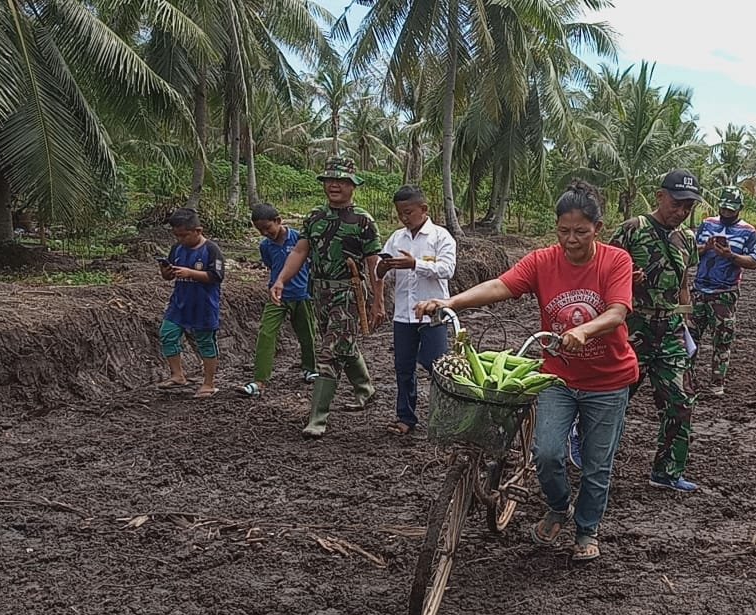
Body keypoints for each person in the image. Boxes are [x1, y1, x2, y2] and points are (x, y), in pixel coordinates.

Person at [414, 180, 636, 562]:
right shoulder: (543, 261)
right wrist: (450, 301)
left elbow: (617, 311)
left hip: (608, 380)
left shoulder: (615, 261)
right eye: (564, 231)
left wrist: (583, 329)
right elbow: (501, 285)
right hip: (557, 377)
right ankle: (558, 507)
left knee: (597, 465)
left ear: (597, 229)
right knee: (547, 453)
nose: (571, 240)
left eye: (580, 232)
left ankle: (586, 531)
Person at [272, 158, 386, 438]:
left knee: (329, 354)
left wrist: (378, 301)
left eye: (342, 181)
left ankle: (317, 419)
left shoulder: (363, 221)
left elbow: (375, 263)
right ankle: (365, 390)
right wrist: (281, 280)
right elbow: (300, 252)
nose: (335, 185)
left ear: (352, 186)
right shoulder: (314, 217)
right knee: (341, 344)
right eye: (329, 180)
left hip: (348, 292)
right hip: (319, 292)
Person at [607, 169, 701, 492]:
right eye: (677, 204)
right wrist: (626, 282)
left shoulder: (688, 239)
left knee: (681, 401)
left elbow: (684, 283)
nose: (681, 212)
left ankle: (667, 472)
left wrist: (687, 324)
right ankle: (594, 458)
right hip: (633, 327)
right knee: (616, 399)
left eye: (688, 207)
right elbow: (602, 275)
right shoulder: (632, 230)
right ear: (660, 196)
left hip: (670, 327)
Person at [376, 185, 457, 436]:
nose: (404, 217)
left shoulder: (440, 237)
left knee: (438, 366)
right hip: (403, 314)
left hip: (433, 313)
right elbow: (380, 270)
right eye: (400, 213)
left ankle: (442, 418)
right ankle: (405, 417)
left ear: (424, 209)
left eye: (408, 212)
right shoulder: (397, 238)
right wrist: (383, 267)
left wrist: (416, 264)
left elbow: (447, 269)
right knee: (403, 366)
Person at [240, 203, 318, 397]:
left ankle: (310, 368)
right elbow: (270, 265)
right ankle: (259, 380)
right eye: (260, 230)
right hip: (277, 296)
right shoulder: (265, 246)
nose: (265, 233)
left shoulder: (300, 239)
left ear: (278, 221)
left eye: (268, 228)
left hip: (302, 294)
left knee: (307, 333)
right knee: (266, 334)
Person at [691, 186, 756, 396]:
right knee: (690, 337)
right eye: (724, 208)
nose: (727, 213)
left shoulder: (748, 231)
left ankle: (717, 382)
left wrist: (731, 256)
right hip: (700, 290)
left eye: (731, 210)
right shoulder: (707, 224)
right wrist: (707, 248)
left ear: (740, 209)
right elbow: (690, 252)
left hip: (725, 292)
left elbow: (753, 261)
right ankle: (688, 381)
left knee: (722, 340)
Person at [155, 208, 225, 398]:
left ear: (198, 231)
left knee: (205, 342)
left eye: (184, 235)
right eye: (176, 235)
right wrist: (167, 272)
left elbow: (216, 276)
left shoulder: (211, 249)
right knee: (167, 334)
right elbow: (167, 276)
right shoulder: (176, 249)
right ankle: (177, 375)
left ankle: (209, 383)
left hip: (204, 305)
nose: (180, 240)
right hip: (179, 303)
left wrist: (190, 273)